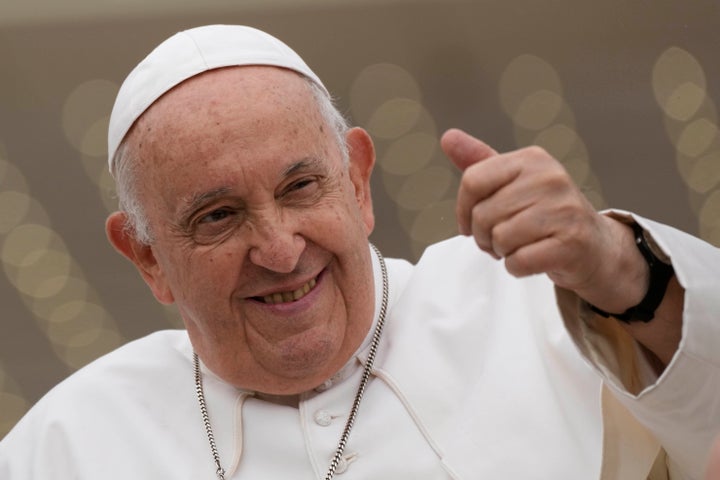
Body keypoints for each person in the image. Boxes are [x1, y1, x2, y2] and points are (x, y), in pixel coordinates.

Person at [1, 24, 718, 479]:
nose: (280, 251)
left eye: (302, 186)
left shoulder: (532, 303)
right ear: (147, 256)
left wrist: (621, 268)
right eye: (218, 216)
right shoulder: (63, 447)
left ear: (358, 179)